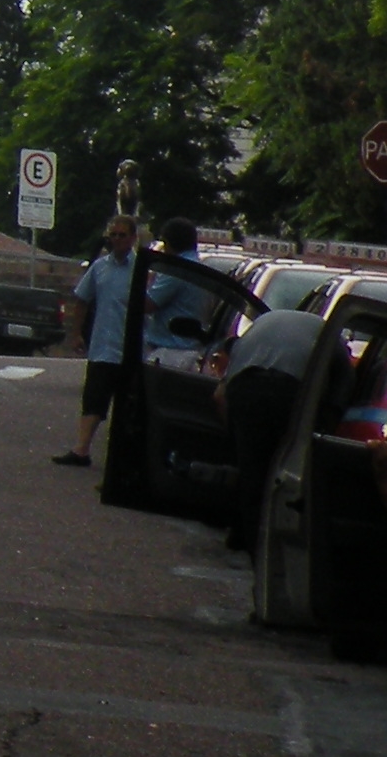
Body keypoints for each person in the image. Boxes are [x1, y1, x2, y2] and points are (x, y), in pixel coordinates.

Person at [216, 299, 325, 551]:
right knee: (282, 472)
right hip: (290, 393)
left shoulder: (256, 329)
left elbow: (219, 397)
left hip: (247, 390)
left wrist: (235, 436)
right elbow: (344, 380)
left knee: (251, 473)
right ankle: (272, 543)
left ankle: (250, 542)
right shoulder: (323, 330)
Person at [53, 216, 139, 466]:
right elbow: (82, 300)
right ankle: (81, 450)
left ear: (133, 238)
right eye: (113, 235)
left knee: (126, 407)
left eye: (122, 235)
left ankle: (121, 457)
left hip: (130, 350)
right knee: (93, 401)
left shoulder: (142, 270)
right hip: (102, 347)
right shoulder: (100, 267)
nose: (117, 240)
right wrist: (77, 333)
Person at [141, 217, 214, 345]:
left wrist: (147, 279)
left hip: (170, 348)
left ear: (168, 243)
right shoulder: (199, 267)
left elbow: (147, 304)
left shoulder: (177, 270)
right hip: (190, 346)